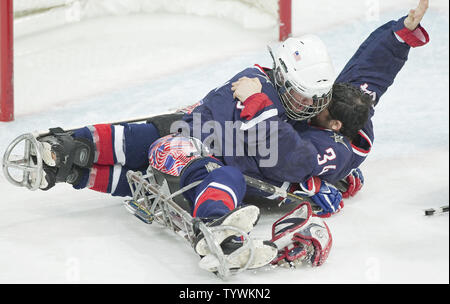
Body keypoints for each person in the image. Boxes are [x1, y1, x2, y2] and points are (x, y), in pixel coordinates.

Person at [17, 0, 430, 268]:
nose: (313, 106)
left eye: (319, 106)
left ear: (336, 126)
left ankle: (216, 228)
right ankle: (64, 153)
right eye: (314, 97)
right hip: (210, 141)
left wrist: (258, 105)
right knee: (160, 131)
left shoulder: (335, 148)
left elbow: (291, 159)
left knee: (204, 170)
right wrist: (401, 34)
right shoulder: (342, 102)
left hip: (237, 172)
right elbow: (369, 72)